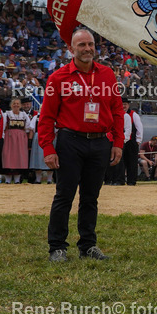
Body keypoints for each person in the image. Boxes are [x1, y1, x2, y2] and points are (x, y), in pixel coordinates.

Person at [39, 28, 125, 262]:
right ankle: (57, 247)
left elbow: (117, 110)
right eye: (81, 45)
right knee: (64, 196)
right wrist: (48, 148)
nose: (87, 49)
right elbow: (46, 116)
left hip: (99, 144)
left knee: (90, 197)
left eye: (90, 44)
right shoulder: (58, 78)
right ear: (71, 49)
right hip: (70, 142)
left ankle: (88, 245)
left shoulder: (107, 75)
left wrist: (118, 142)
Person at [0, 97, 29, 184]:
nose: (16, 105)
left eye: (17, 104)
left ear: (20, 105)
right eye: (14, 104)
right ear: (11, 105)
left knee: (19, 156)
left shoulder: (24, 115)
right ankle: (8, 179)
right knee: (8, 156)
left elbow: (27, 127)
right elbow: (3, 126)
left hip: (21, 138)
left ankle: (17, 179)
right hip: (9, 137)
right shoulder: (7, 114)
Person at [120, 98, 143, 185]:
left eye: (125, 104)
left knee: (132, 162)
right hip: (121, 141)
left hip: (131, 141)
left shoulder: (134, 115)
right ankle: (120, 180)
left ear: (128, 105)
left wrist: (138, 140)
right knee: (121, 162)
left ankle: (131, 181)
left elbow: (139, 128)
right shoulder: (117, 113)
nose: (123, 106)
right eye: (122, 104)